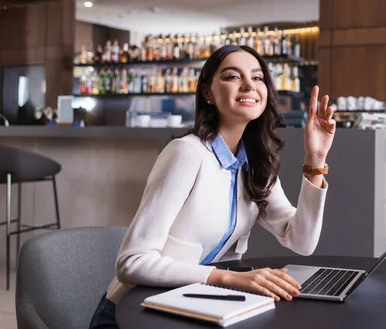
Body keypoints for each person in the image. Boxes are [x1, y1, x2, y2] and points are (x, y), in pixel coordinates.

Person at [89, 44, 336, 328]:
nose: (248, 85)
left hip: (194, 306)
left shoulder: (256, 165)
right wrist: (230, 278)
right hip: (134, 313)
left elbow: (302, 241)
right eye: (233, 77)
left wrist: (316, 159)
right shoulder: (186, 153)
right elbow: (131, 262)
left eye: (257, 78)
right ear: (207, 93)